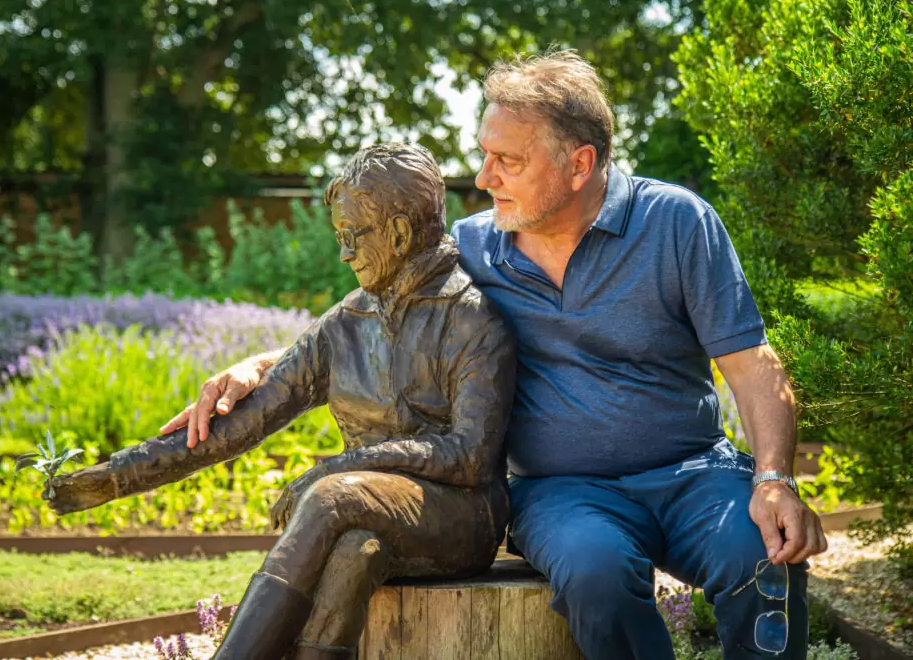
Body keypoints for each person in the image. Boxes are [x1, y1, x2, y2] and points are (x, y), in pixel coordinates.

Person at [162, 51, 828, 659]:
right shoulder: (473, 247)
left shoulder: (679, 224)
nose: (483, 178)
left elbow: (752, 363)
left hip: (693, 473)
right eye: (484, 155)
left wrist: (774, 477)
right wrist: (258, 366)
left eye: (507, 161)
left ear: (580, 164)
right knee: (594, 573)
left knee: (765, 557)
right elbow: (374, 321)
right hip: (562, 493)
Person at [50, 142, 516, 660]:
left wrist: (345, 467)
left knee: (333, 497)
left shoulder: (472, 320)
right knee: (354, 554)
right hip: (366, 516)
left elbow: (470, 456)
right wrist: (118, 475)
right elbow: (242, 423)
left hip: (462, 519)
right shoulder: (343, 326)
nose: (343, 253)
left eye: (350, 236)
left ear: (400, 233)